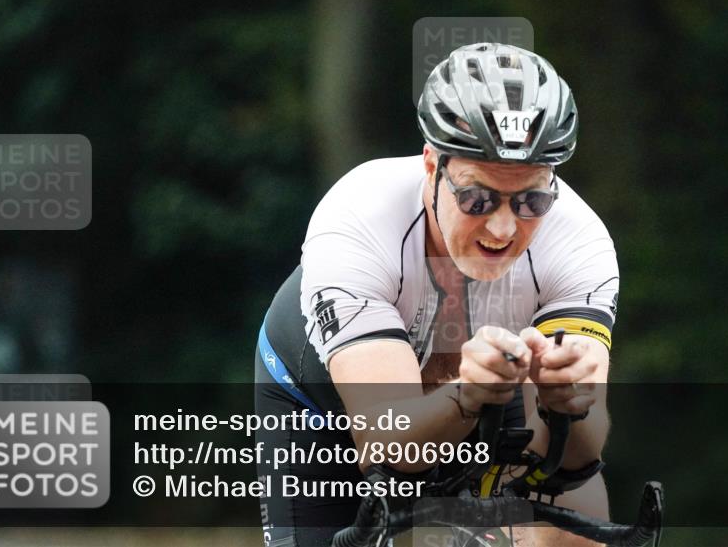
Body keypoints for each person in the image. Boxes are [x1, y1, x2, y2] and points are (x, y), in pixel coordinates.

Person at [255, 43, 619, 547]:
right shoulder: (358, 217)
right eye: (477, 196)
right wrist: (467, 396)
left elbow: (578, 460)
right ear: (432, 165)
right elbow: (387, 443)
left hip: (488, 387)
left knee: (579, 525)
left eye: (532, 199)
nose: (503, 226)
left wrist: (568, 408)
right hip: (327, 401)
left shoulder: (578, 240)